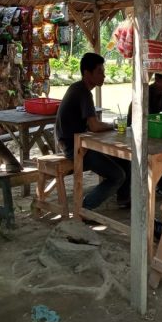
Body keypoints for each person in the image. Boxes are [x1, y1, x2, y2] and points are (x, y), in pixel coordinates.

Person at [55, 52, 131, 210]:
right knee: (118, 176)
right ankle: (85, 207)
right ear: (87, 73)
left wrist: (109, 126)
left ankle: (124, 198)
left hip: (72, 142)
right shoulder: (83, 92)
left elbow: (91, 125)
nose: (103, 76)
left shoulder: (77, 88)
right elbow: (95, 126)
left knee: (123, 158)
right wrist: (114, 125)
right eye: (99, 72)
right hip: (74, 148)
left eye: (103, 72)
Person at [126, 71, 162, 196]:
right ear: (157, 79)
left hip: (152, 127)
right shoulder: (146, 93)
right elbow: (143, 117)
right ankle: (158, 183)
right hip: (137, 128)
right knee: (158, 150)